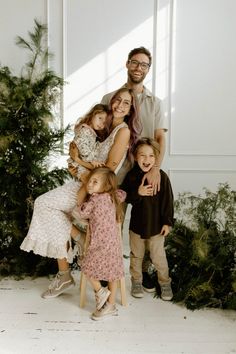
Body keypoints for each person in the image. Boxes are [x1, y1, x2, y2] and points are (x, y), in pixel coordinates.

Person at [20, 87, 141, 299]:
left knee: (44, 204)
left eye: (126, 103)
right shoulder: (102, 126)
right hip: (84, 183)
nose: (120, 105)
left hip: (95, 192)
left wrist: (78, 165)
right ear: (111, 101)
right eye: (118, 100)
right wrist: (75, 160)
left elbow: (108, 171)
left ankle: (73, 255)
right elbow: (86, 153)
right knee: (48, 207)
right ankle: (66, 268)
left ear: (131, 110)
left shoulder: (123, 131)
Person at [101, 46, 168, 291]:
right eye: (135, 62)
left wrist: (155, 169)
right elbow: (101, 134)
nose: (139, 67)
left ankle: (143, 275)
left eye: (144, 64)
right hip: (117, 174)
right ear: (127, 64)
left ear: (148, 69)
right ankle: (110, 275)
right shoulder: (110, 99)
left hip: (144, 174)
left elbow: (160, 138)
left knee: (146, 226)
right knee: (113, 224)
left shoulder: (156, 103)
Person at [120, 137, 174, 301]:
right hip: (137, 226)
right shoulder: (131, 176)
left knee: (158, 257)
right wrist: (139, 193)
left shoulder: (162, 177)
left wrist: (167, 222)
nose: (147, 160)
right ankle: (136, 281)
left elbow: (168, 201)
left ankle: (164, 283)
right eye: (142, 155)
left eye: (151, 156)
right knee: (136, 255)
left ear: (156, 158)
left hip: (157, 227)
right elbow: (125, 196)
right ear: (136, 157)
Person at [73, 167, 126, 320]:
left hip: (100, 244)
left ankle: (100, 291)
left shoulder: (94, 200)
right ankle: (110, 305)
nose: (89, 184)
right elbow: (122, 194)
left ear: (106, 186)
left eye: (94, 182)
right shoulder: (114, 196)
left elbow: (81, 213)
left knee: (85, 265)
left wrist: (82, 201)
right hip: (114, 244)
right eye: (90, 181)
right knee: (112, 274)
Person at [67, 103, 111, 180]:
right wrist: (92, 160)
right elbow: (82, 147)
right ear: (92, 115)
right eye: (100, 118)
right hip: (77, 164)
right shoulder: (85, 130)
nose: (101, 124)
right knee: (89, 180)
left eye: (104, 123)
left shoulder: (91, 132)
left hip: (81, 162)